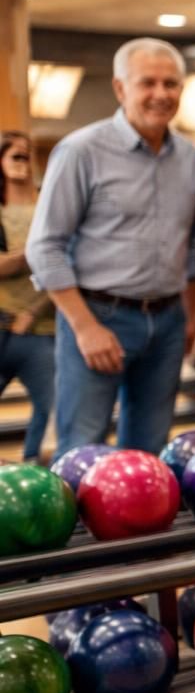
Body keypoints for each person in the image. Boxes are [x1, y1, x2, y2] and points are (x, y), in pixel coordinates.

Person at [27, 36, 195, 454]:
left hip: (167, 322)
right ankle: (78, 525)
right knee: (82, 449)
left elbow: (190, 245)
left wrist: (190, 316)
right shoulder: (81, 150)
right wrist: (85, 327)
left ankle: (142, 525)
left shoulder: (190, 157)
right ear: (121, 88)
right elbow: (45, 246)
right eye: (148, 83)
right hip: (98, 315)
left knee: (148, 452)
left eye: (171, 84)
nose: (161, 94)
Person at [0, 132, 56, 460]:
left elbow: (63, 265)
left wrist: (33, 312)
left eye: (27, 156)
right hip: (2, 325)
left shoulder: (48, 207)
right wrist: (33, 253)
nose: (23, 163)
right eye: (15, 156)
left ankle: (34, 469)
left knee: (51, 408)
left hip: (40, 330)